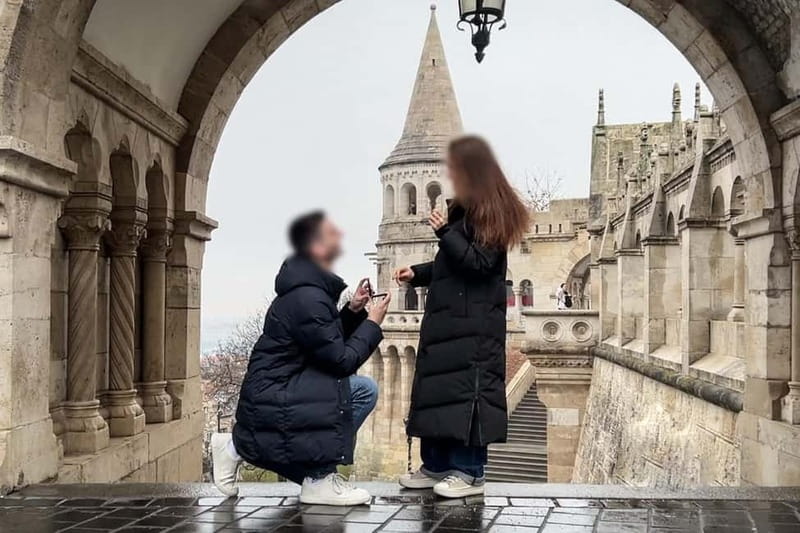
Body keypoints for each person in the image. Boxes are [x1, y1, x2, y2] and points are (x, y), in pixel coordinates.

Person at [210, 211, 391, 505]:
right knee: (361, 390)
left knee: (350, 388)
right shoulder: (309, 297)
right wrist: (372, 323)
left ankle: (234, 448)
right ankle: (318, 478)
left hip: (277, 387)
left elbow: (321, 342)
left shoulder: (305, 291)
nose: (339, 241)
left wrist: (353, 311)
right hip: (276, 391)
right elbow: (341, 360)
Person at [393, 136, 530, 498]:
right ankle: (435, 465)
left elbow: (481, 264)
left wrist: (442, 233)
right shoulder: (466, 211)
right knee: (438, 395)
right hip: (449, 325)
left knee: (467, 398)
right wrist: (418, 273)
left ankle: (470, 472)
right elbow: (453, 263)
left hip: (473, 329)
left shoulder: (491, 213)